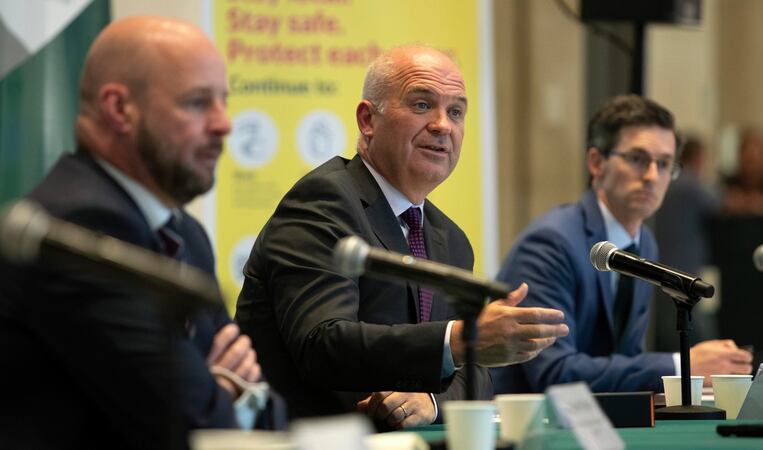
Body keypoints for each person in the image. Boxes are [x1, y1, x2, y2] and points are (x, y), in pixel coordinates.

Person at [236, 45, 569, 428]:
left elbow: (475, 372)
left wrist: (431, 399)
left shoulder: (451, 240)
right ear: (367, 120)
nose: (443, 125)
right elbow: (321, 344)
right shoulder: (324, 202)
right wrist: (459, 340)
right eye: (423, 105)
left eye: (456, 112)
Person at [0, 16, 269, 449]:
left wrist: (231, 391)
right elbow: (188, 425)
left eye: (224, 100)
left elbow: (261, 405)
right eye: (198, 103)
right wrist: (226, 390)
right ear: (120, 108)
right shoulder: (78, 227)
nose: (224, 124)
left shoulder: (187, 236)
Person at [491, 95, 752, 395]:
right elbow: (555, 372)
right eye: (638, 159)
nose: (653, 176)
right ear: (596, 162)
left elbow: (624, 360)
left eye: (665, 164)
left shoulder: (644, 244)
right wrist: (681, 366)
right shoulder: (552, 243)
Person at [653, 136, 721, 350]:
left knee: (667, 325)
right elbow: (719, 204)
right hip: (686, 266)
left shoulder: (670, 184)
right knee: (697, 329)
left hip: (662, 262)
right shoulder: (691, 184)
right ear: (698, 158)